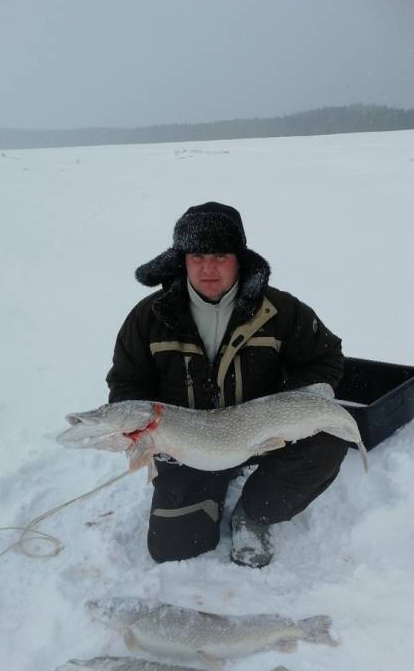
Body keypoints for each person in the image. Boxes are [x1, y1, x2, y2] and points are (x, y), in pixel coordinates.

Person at [106, 201, 349, 568]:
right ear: (181, 259)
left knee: (329, 435)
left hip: (261, 437)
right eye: (197, 256)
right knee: (174, 550)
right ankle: (208, 488)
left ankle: (254, 512)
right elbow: (127, 382)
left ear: (240, 258)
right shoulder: (148, 317)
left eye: (220, 255)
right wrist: (146, 433)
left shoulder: (280, 310)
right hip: (186, 448)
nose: (208, 268)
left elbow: (325, 357)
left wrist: (288, 408)